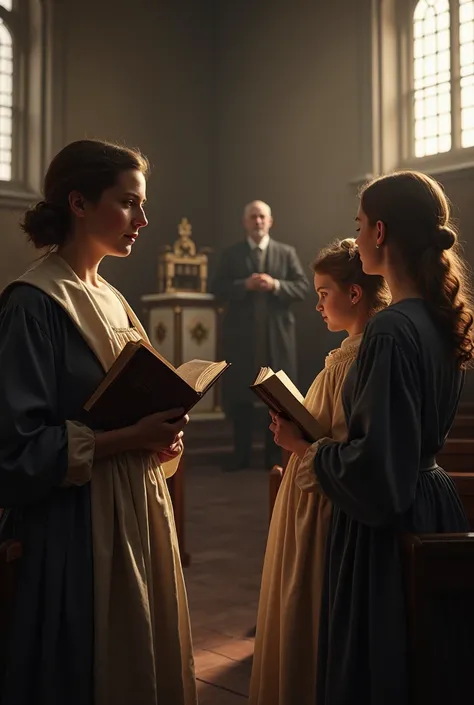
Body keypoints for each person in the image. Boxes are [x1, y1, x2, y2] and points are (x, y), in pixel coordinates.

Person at [0, 140, 197, 705]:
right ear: (79, 203)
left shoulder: (111, 297)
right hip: (73, 530)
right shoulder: (33, 304)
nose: (142, 219)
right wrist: (128, 438)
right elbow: (16, 449)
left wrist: (158, 436)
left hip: (133, 510)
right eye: (128, 203)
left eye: (141, 205)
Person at [271, 171, 473, 705]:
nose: (356, 236)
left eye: (359, 225)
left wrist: (308, 449)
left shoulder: (390, 330)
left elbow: (375, 469)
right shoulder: (437, 316)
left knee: (379, 663)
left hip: (387, 523)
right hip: (432, 499)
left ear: (380, 233)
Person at [249, 238, 390, 705]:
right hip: (317, 490)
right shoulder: (352, 352)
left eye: (324, 293)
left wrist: (295, 442)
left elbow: (347, 445)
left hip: (325, 508)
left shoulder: (356, 359)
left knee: (308, 609)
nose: (317, 305)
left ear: (354, 294)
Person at [212, 200, 309, 471]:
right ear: (245, 222)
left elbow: (302, 287)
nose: (257, 221)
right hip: (242, 342)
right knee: (241, 399)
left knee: (277, 399)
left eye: (262, 217)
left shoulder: (286, 253)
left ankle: (274, 459)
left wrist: (275, 284)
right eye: (253, 217)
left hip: (276, 339)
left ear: (270, 221)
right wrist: (245, 285)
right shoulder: (231, 254)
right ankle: (240, 457)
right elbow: (217, 288)